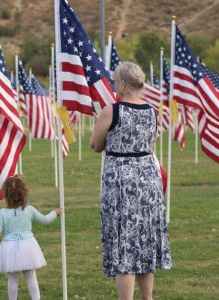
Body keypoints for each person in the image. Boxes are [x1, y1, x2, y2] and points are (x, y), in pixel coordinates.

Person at [90, 61, 172, 300]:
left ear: (123, 84)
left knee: (125, 243)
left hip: (121, 182)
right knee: (145, 240)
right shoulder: (152, 111)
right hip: (148, 179)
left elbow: (96, 145)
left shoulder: (112, 110)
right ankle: (148, 297)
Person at [0, 175, 62, 300]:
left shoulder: (3, 213)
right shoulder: (29, 210)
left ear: (5, 194)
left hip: (10, 247)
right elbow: (44, 220)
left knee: (12, 278)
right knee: (31, 276)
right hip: (28, 246)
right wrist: (55, 212)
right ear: (24, 193)